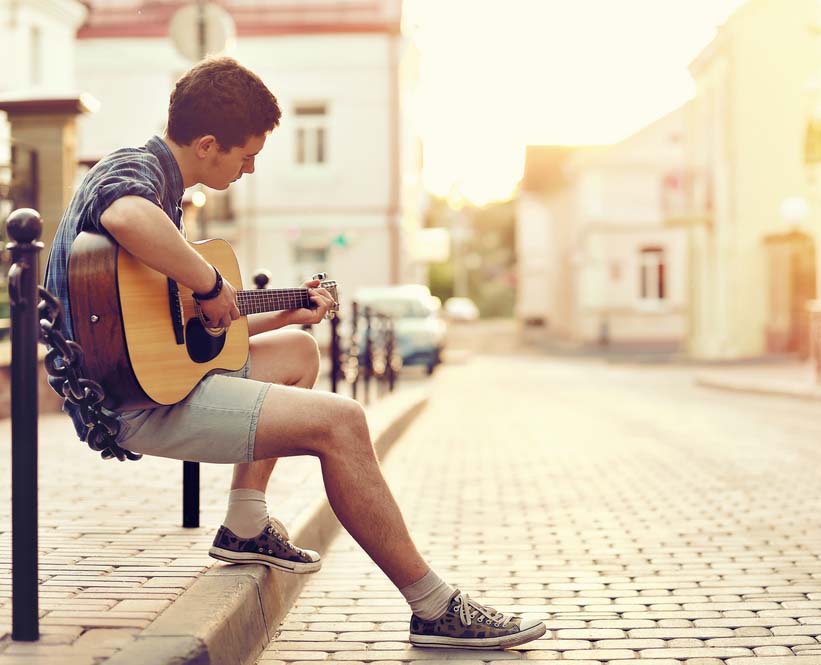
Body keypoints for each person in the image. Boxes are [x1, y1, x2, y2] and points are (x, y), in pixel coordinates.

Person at [43, 56, 545, 650]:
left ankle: (246, 523)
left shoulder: (163, 189)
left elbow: (182, 344)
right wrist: (208, 283)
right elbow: (126, 217)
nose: (252, 168)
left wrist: (282, 312)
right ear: (207, 145)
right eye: (246, 155)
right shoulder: (134, 172)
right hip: (131, 404)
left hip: (150, 379)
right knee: (344, 422)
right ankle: (433, 607)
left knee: (300, 350)